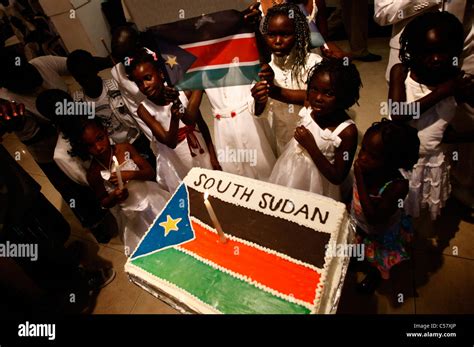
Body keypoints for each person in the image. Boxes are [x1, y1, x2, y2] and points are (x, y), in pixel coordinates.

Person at [374, 0, 474, 210]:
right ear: (413, 50)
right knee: (395, 207)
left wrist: (453, 136)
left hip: (433, 162)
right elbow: (399, 114)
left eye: (444, 52)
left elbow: (448, 128)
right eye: (428, 52)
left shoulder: (455, 81)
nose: (436, 58)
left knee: (425, 209)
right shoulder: (400, 72)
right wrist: (443, 92)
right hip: (402, 159)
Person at [66, 116, 170, 256]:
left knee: (170, 229)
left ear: (105, 131)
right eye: (90, 145)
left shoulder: (125, 148)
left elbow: (149, 172)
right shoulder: (94, 173)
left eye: (100, 138)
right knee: (154, 246)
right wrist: (114, 197)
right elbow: (104, 202)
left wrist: (130, 175)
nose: (98, 147)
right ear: (82, 148)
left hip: (151, 199)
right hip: (132, 216)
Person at [126, 48, 219, 192]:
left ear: (161, 74)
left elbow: (199, 123)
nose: (144, 86)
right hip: (178, 159)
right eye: (139, 83)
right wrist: (174, 119)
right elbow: (170, 142)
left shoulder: (183, 92)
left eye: (148, 78)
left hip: (200, 149)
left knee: (213, 184)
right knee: (194, 190)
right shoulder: (144, 109)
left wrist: (213, 157)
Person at [269, 58, 360, 201]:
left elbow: (337, 176)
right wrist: (266, 81)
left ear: (345, 96)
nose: (318, 97)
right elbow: (282, 94)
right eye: (313, 89)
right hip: (289, 169)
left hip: (318, 184)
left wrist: (311, 146)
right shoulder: (308, 102)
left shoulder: (347, 132)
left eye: (328, 93)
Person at [352, 119, 420, 293]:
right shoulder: (367, 168)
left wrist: (359, 177)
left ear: (394, 161)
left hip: (379, 234)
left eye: (373, 156)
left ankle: (374, 275)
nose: (362, 157)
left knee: (375, 259)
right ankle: (357, 259)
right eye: (363, 149)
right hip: (358, 222)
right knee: (357, 246)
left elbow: (374, 218)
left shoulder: (397, 186)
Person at [253, 3, 322, 155]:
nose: (277, 41)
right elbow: (258, 113)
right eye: (271, 35)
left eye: (285, 34)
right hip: (283, 142)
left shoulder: (314, 63)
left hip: (315, 142)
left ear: (298, 34)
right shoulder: (265, 70)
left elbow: (315, 98)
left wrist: (274, 89)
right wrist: (259, 98)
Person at [67, 49, 155, 167]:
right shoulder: (78, 101)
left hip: (137, 140)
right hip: (114, 151)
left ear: (95, 69)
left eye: (88, 74)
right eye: (81, 78)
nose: (87, 80)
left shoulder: (116, 86)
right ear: (76, 79)